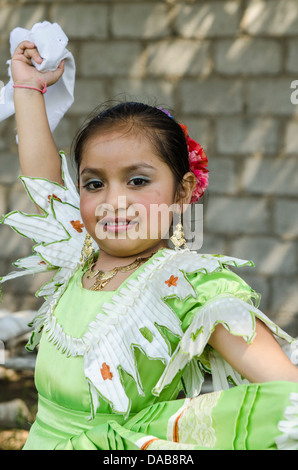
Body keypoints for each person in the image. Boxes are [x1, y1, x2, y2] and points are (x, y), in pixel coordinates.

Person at [1, 40, 298, 450]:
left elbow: (287, 397)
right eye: (94, 183)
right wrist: (28, 88)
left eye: (137, 181)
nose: (113, 201)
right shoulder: (76, 257)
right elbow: (42, 179)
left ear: (182, 192)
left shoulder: (191, 286)